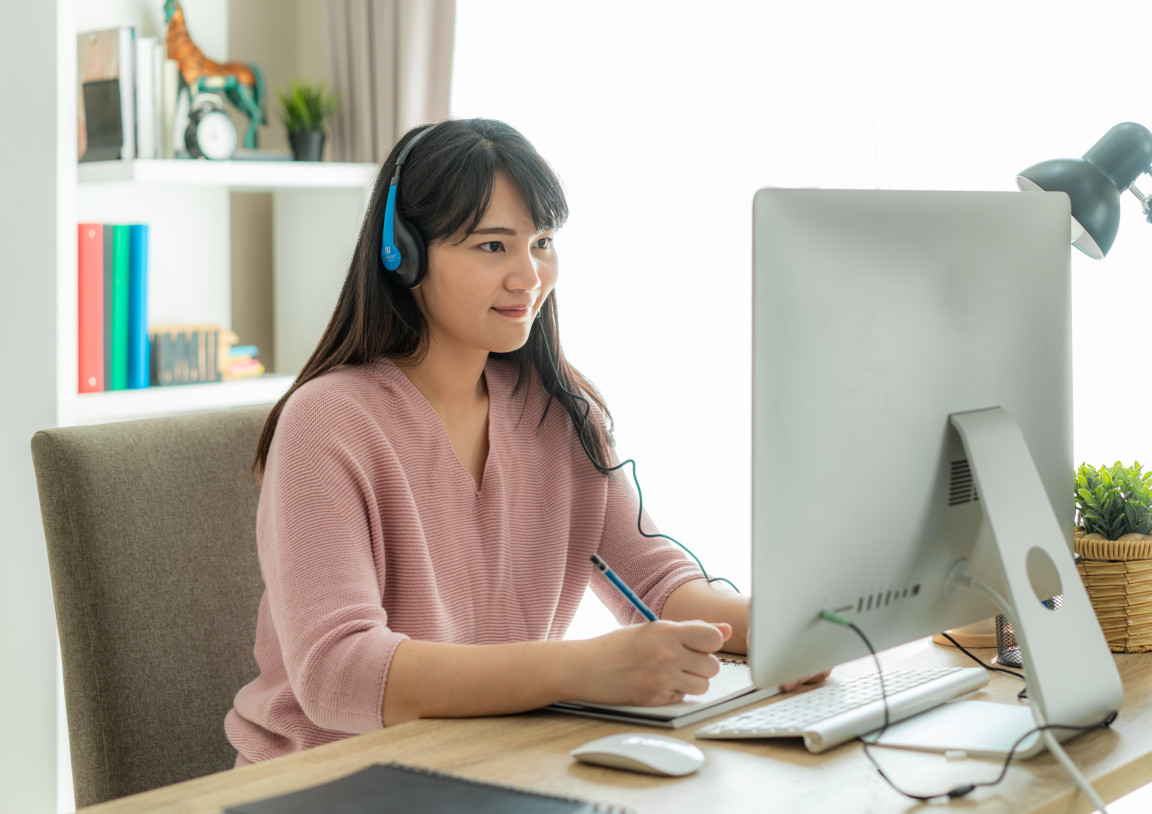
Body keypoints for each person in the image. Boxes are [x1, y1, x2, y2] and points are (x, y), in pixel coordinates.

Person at [225, 118, 822, 766]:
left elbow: (657, 586)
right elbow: (338, 673)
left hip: (483, 765)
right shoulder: (328, 420)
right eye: (491, 247)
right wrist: (582, 669)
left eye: (540, 242)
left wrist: (787, 629)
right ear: (403, 254)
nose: (528, 276)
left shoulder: (559, 413)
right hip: (323, 786)